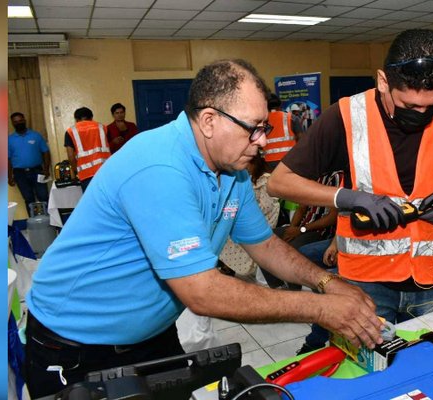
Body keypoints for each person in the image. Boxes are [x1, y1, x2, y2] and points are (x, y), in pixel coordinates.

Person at [24, 59, 383, 399]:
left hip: (151, 335)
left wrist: (328, 284)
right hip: (76, 345)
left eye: (265, 128)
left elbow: (266, 246)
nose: (262, 141)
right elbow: (203, 292)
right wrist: (320, 309)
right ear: (209, 120)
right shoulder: (160, 167)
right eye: (254, 128)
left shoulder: (233, 171)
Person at [268, 29, 433, 323]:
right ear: (383, 81)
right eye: (410, 105)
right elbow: (279, 182)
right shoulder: (346, 116)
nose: (422, 113)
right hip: (366, 284)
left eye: (432, 106)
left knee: (430, 363)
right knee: (371, 367)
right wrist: (349, 198)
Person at [263, 170, 342, 290]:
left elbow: (332, 218)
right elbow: (301, 209)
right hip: (302, 227)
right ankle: (278, 286)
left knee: (291, 250)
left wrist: (301, 230)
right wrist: (292, 228)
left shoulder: (336, 177)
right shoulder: (312, 175)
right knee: (265, 239)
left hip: (320, 231)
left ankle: (295, 290)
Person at [217, 152, 280, 278]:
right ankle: (228, 265)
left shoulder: (266, 180)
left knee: (235, 234)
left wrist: (244, 210)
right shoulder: (245, 179)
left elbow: (266, 207)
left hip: (262, 218)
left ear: (255, 164)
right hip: (245, 215)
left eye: (247, 165)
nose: (245, 168)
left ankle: (234, 267)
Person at [8, 112, 51, 213]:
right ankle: (34, 223)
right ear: (12, 123)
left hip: (37, 171)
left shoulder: (36, 135)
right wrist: (9, 176)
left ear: (24, 120)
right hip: (19, 174)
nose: (18, 123)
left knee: (43, 196)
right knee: (28, 199)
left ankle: (49, 222)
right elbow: (7, 159)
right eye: (15, 122)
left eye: (20, 121)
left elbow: (45, 152)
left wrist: (46, 169)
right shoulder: (9, 140)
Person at [64, 107, 109, 191]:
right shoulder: (102, 127)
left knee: (91, 202)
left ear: (76, 119)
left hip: (86, 175)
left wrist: (76, 172)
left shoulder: (71, 131)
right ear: (91, 117)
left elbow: (71, 156)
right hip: (105, 171)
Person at [263, 93, 296, 170]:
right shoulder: (291, 118)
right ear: (280, 105)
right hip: (289, 160)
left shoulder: (262, 120)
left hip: (269, 161)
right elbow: (301, 139)